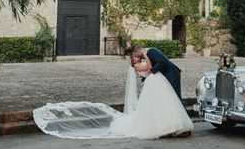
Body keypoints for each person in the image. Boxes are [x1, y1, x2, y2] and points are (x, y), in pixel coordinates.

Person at [33, 50, 192, 140]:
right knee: (167, 102)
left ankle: (179, 128)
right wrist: (147, 71)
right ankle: (172, 126)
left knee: (173, 100)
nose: (136, 59)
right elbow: (149, 68)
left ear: (137, 54)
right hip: (158, 80)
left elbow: (159, 65)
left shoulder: (150, 52)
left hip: (170, 76)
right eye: (135, 59)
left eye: (135, 57)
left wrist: (150, 71)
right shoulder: (144, 59)